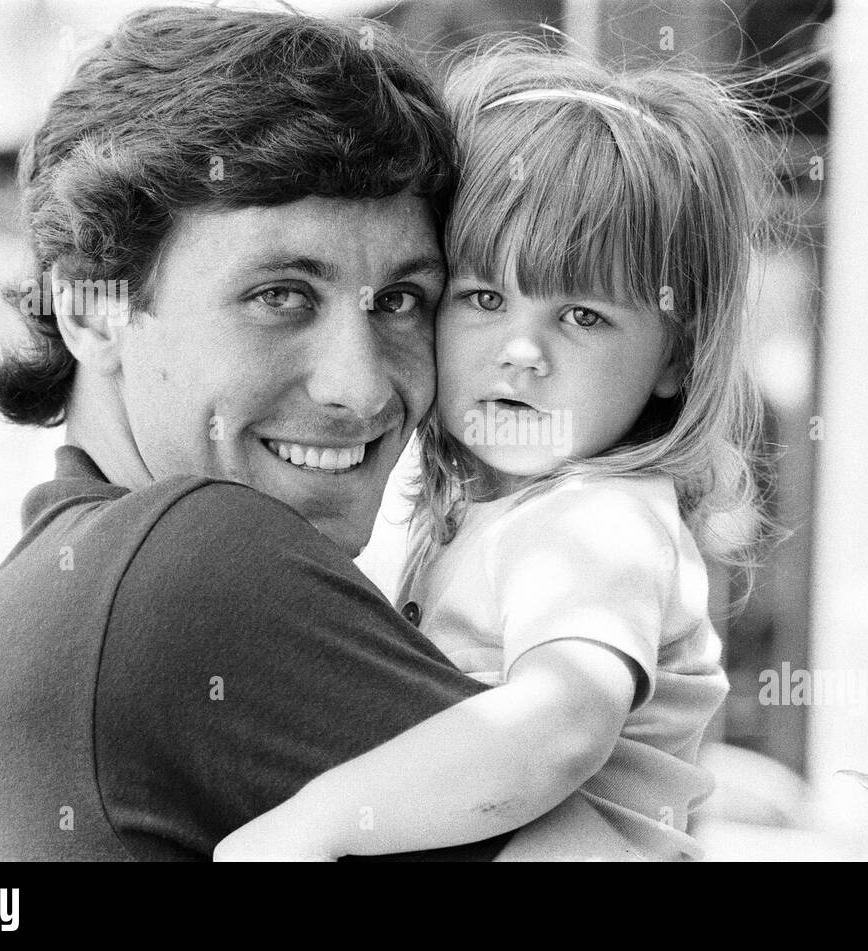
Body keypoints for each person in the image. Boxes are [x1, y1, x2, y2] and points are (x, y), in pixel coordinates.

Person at [0, 6, 631, 862]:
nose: (361, 386)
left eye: (403, 300)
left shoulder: (15, 619)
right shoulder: (193, 564)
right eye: (281, 296)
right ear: (91, 306)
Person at [214, 43, 773, 862]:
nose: (522, 350)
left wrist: (318, 820)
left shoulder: (599, 521)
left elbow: (561, 724)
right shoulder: (478, 519)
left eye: (581, 314)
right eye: (483, 297)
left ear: (675, 360)